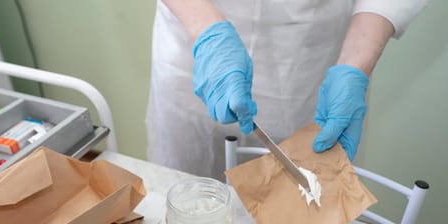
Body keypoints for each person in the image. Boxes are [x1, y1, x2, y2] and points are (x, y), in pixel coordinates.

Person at [145, 0, 428, 180]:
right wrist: (207, 31)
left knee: (303, 223)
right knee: (185, 206)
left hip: (311, 55)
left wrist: (354, 66)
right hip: (193, 42)